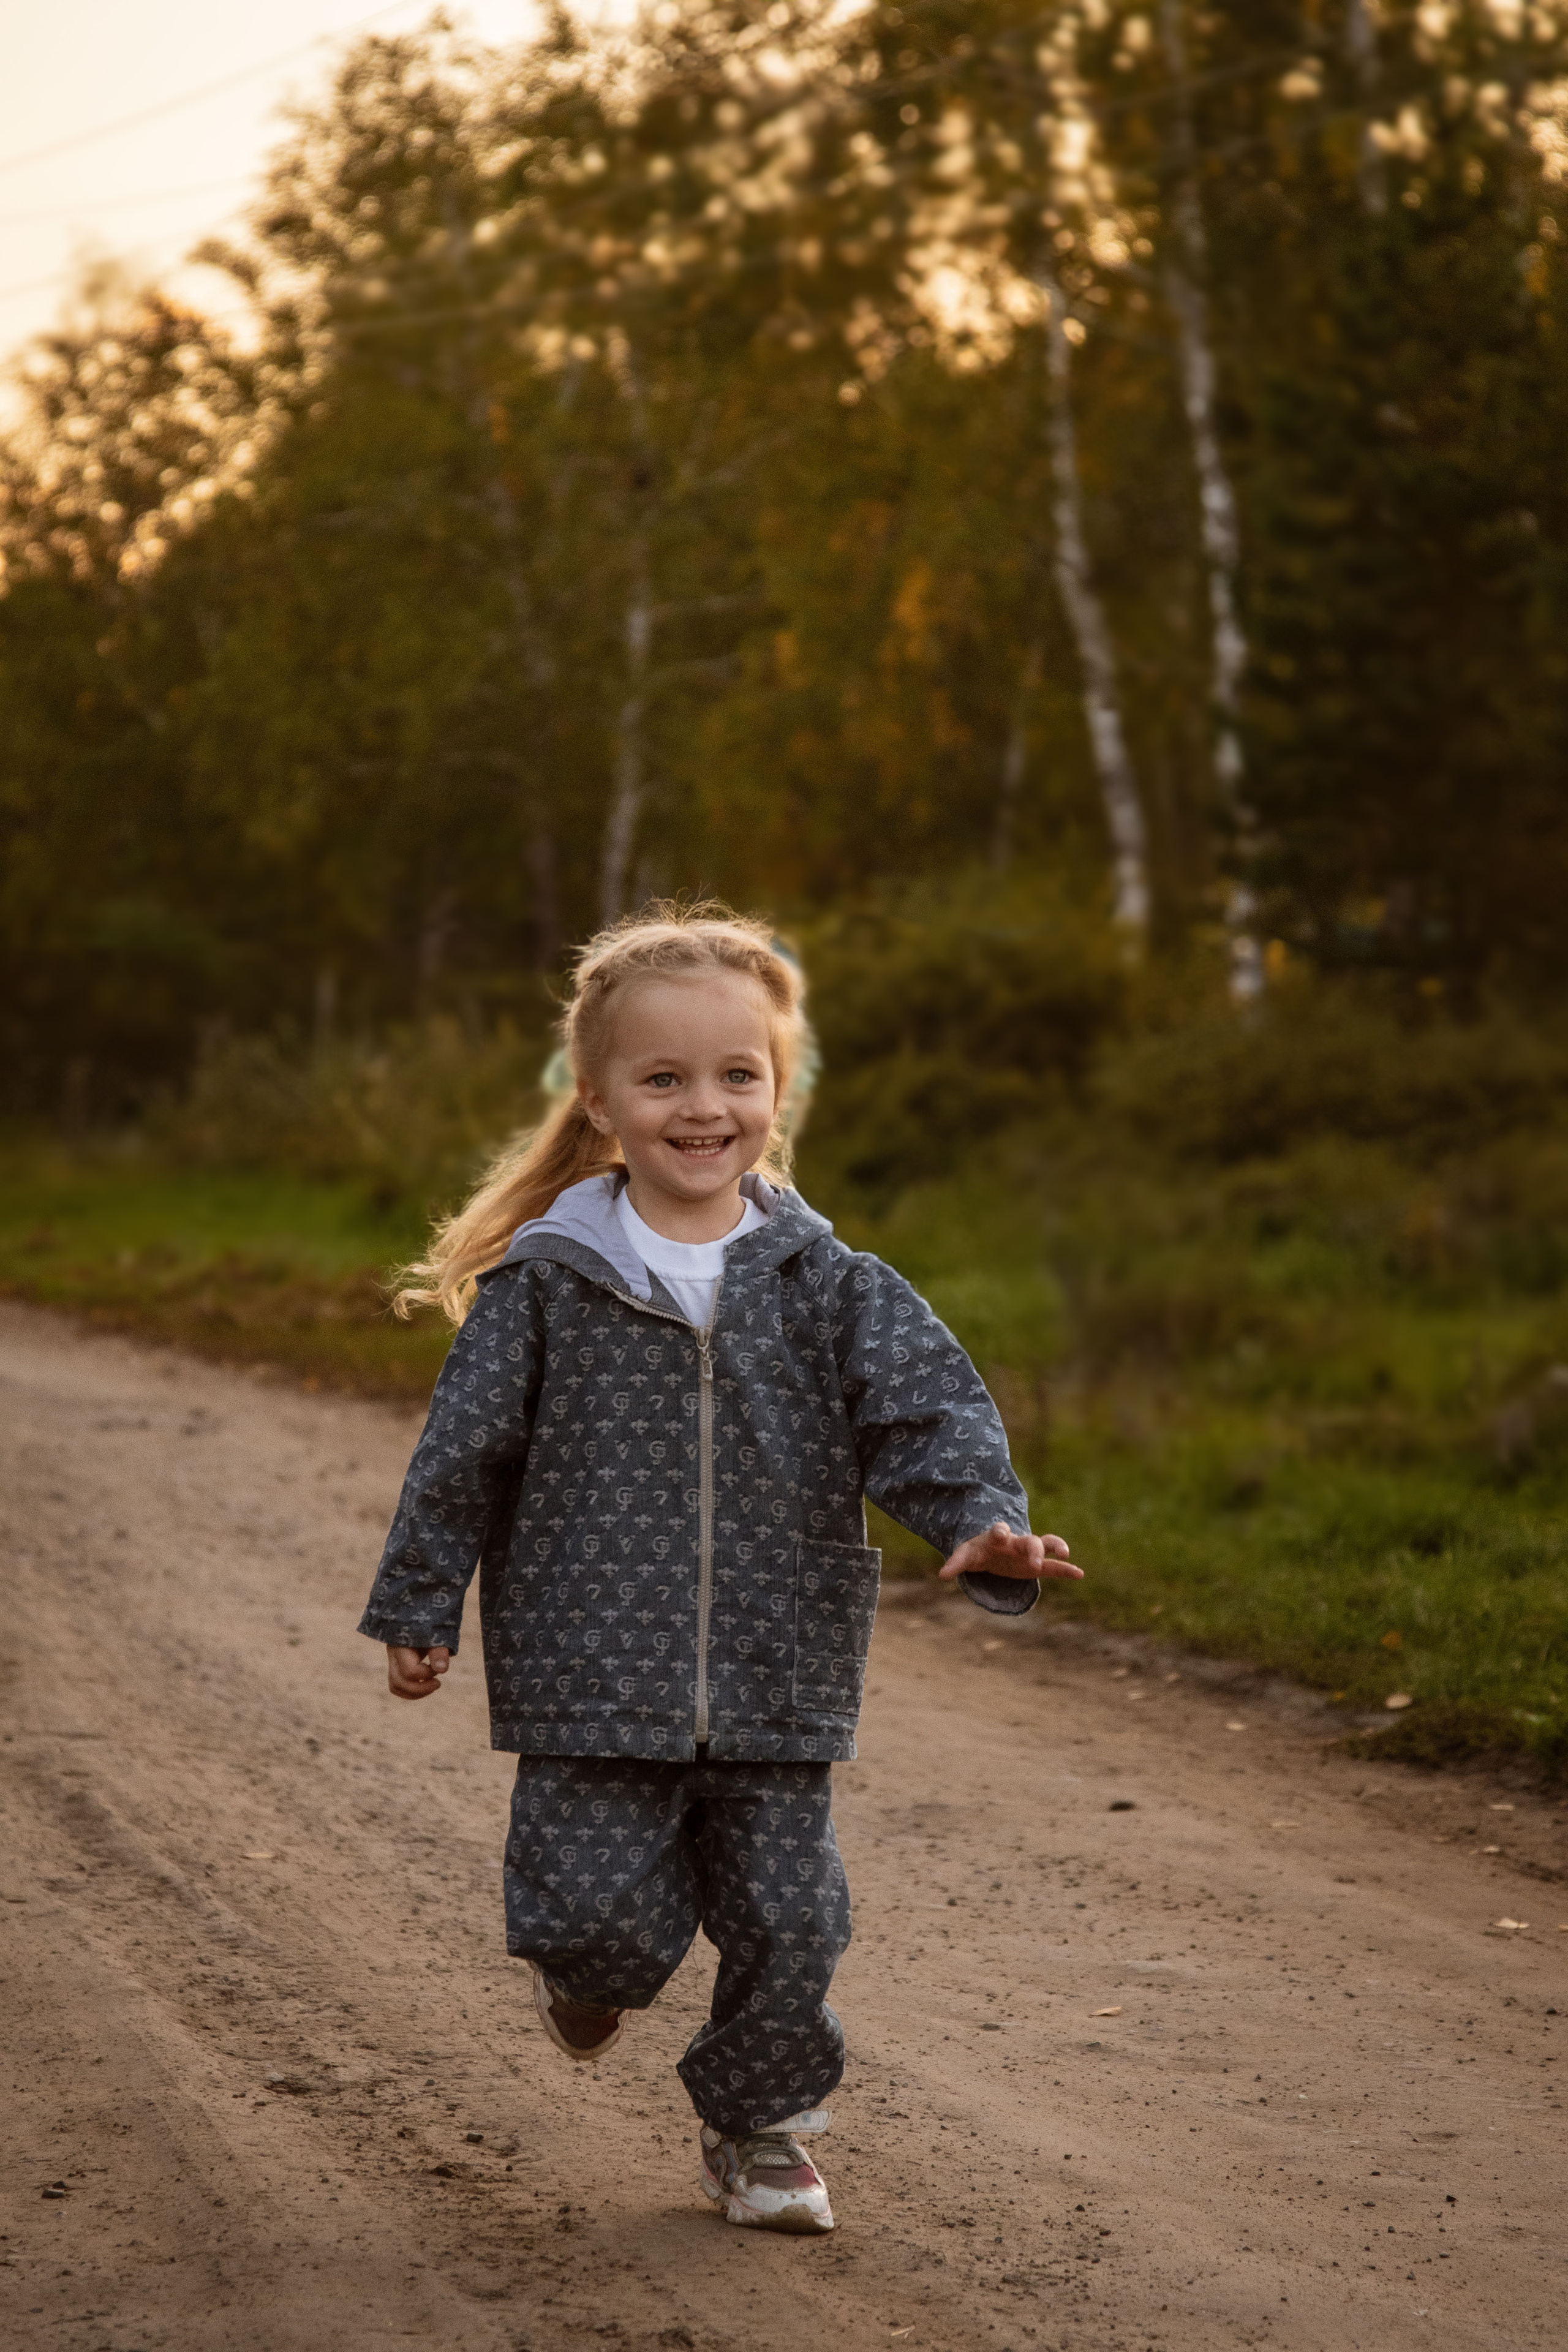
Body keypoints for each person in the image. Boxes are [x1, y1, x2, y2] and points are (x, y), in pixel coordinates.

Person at [358, 903, 1082, 2234]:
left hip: (776, 1668)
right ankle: (588, 1980)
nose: (704, 1108)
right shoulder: (548, 1282)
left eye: (735, 1076)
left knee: (789, 1921)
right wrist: (419, 1603)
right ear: (600, 1100)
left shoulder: (829, 1282)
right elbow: (460, 1457)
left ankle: (756, 2130)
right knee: (595, 1927)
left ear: (776, 1090)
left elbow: (923, 1416)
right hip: (587, 1677)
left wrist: (977, 1520)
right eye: (664, 1079)